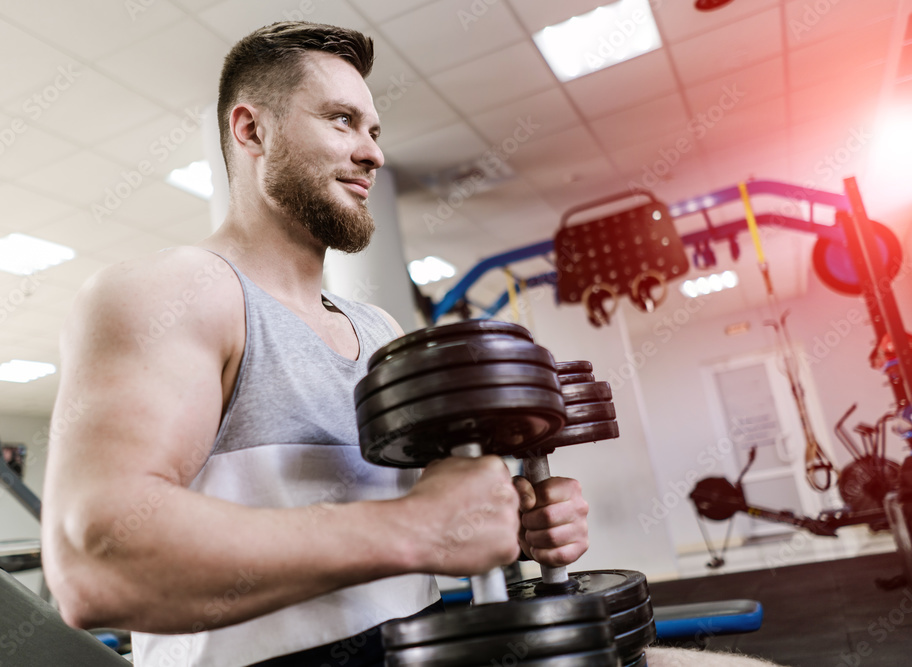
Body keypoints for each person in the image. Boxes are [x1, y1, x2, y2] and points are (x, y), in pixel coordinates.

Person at [41, 20, 783, 667]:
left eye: (373, 130)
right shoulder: (175, 292)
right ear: (251, 130)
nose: (372, 154)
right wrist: (414, 527)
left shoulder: (379, 332)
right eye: (340, 121)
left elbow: (425, 531)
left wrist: (515, 525)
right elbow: (93, 562)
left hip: (419, 648)